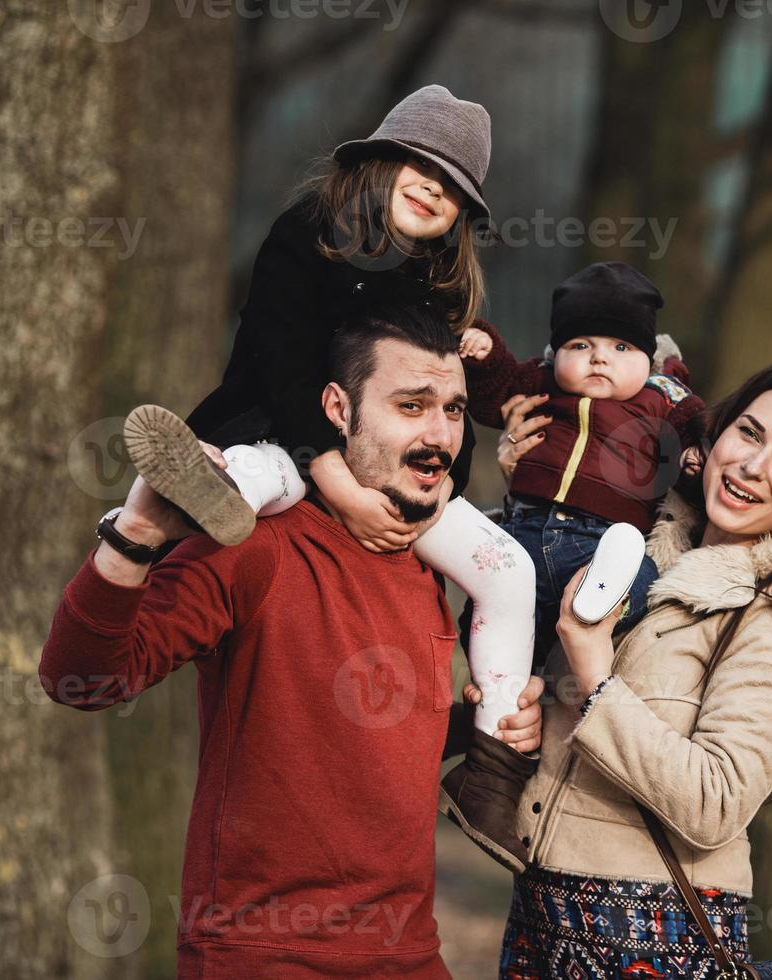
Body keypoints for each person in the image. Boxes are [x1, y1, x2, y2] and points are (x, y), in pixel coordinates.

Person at [39, 299, 545, 979]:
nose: (440, 434)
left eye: (453, 409)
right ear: (338, 408)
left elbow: (351, 723)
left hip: (410, 954)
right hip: (263, 955)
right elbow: (83, 679)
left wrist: (488, 726)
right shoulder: (257, 548)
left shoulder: (427, 561)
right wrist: (133, 538)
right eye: (412, 405)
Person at [123, 84, 549, 860]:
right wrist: (336, 480)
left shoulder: (435, 287)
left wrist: (446, 484)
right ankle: (160, 517)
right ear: (380, 162)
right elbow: (276, 360)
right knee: (254, 481)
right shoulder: (306, 238)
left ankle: (490, 773)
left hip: (399, 474)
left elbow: (443, 404)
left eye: (456, 189)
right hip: (285, 435)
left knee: (510, 570)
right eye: (422, 165)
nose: (436, 188)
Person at [486, 360, 772, 978]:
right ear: (715, 435)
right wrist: (537, 714)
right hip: (544, 910)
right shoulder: (639, 551)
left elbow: (716, 801)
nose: (753, 467)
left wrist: (595, 671)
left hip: (652, 937)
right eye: (750, 433)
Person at [438, 261, 708, 870]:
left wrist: (696, 451)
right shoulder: (543, 386)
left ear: (646, 355)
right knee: (505, 643)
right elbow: (494, 391)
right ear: (556, 351)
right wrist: (483, 350)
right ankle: (486, 770)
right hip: (526, 535)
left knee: (635, 574)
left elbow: (704, 424)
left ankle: (599, 595)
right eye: (580, 346)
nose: (598, 360)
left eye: (619, 347)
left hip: (601, 539)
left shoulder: (663, 400)